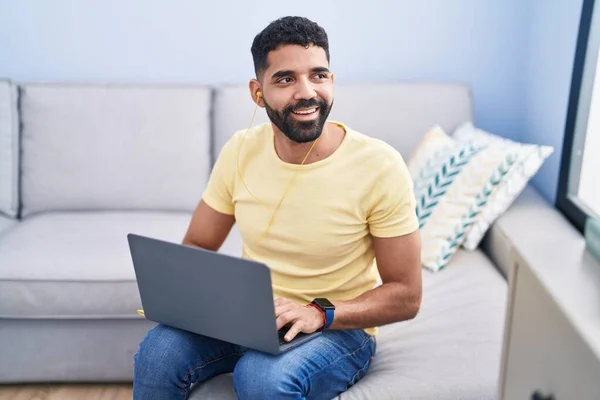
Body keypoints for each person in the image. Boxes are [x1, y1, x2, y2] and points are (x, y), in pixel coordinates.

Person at [133, 16, 422, 400]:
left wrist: (318, 312)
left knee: (260, 377)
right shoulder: (240, 149)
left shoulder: (380, 165)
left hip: (336, 326)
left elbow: (406, 294)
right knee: (156, 354)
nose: (307, 92)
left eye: (319, 75)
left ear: (331, 80)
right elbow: (199, 244)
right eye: (286, 79)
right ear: (258, 92)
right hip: (248, 317)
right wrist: (202, 300)